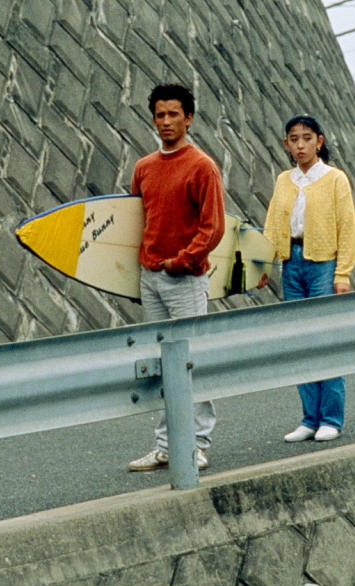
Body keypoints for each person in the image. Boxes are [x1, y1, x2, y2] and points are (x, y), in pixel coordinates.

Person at [127, 83, 225, 471]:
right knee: (162, 363)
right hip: (150, 278)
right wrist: (142, 271)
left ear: (189, 118)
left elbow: (212, 227)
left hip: (183, 279)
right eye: (160, 115)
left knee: (189, 362)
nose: (166, 121)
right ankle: (167, 445)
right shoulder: (144, 168)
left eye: (173, 114)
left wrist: (180, 262)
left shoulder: (202, 166)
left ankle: (197, 443)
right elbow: (134, 222)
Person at [261, 114, 355, 442]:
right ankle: (308, 418)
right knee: (300, 341)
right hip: (292, 263)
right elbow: (273, 224)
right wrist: (264, 264)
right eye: (293, 139)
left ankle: (331, 418)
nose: (300, 145)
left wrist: (342, 272)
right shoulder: (283, 180)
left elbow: (347, 227)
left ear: (320, 141)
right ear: (286, 144)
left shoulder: (335, 179)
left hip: (323, 264)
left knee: (325, 338)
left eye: (306, 138)